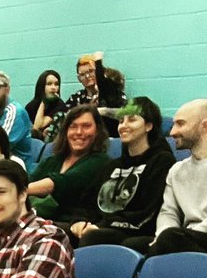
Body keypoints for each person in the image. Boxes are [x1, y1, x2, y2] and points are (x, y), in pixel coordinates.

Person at [73, 97, 174, 248]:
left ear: (148, 126)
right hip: (104, 227)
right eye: (121, 121)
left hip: (138, 230)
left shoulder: (162, 161)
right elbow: (87, 203)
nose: (123, 126)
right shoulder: (112, 166)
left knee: (93, 237)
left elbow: (148, 211)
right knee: (60, 231)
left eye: (132, 120)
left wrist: (101, 226)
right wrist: (79, 221)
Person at [147, 99, 207, 261]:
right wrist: (161, 235)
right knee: (136, 243)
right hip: (182, 237)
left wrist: (180, 236)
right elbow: (168, 212)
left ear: (205, 126)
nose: (172, 132)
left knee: (170, 239)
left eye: (180, 124)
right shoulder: (176, 170)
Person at [26, 104, 113, 225]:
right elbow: (28, 181)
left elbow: (62, 182)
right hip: (36, 221)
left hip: (69, 225)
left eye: (86, 126)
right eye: (73, 126)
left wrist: (18, 191)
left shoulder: (101, 161)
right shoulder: (52, 160)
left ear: (97, 131)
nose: (79, 132)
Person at [44, 52, 126, 141]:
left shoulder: (112, 94)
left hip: (106, 137)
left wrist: (99, 110)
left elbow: (123, 114)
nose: (87, 76)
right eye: (82, 74)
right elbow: (63, 115)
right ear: (79, 78)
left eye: (91, 71)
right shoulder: (77, 97)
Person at [27, 70, 65, 140]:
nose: (53, 87)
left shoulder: (60, 105)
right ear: (42, 86)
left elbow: (38, 126)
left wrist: (44, 102)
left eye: (56, 84)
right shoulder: (31, 105)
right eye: (49, 84)